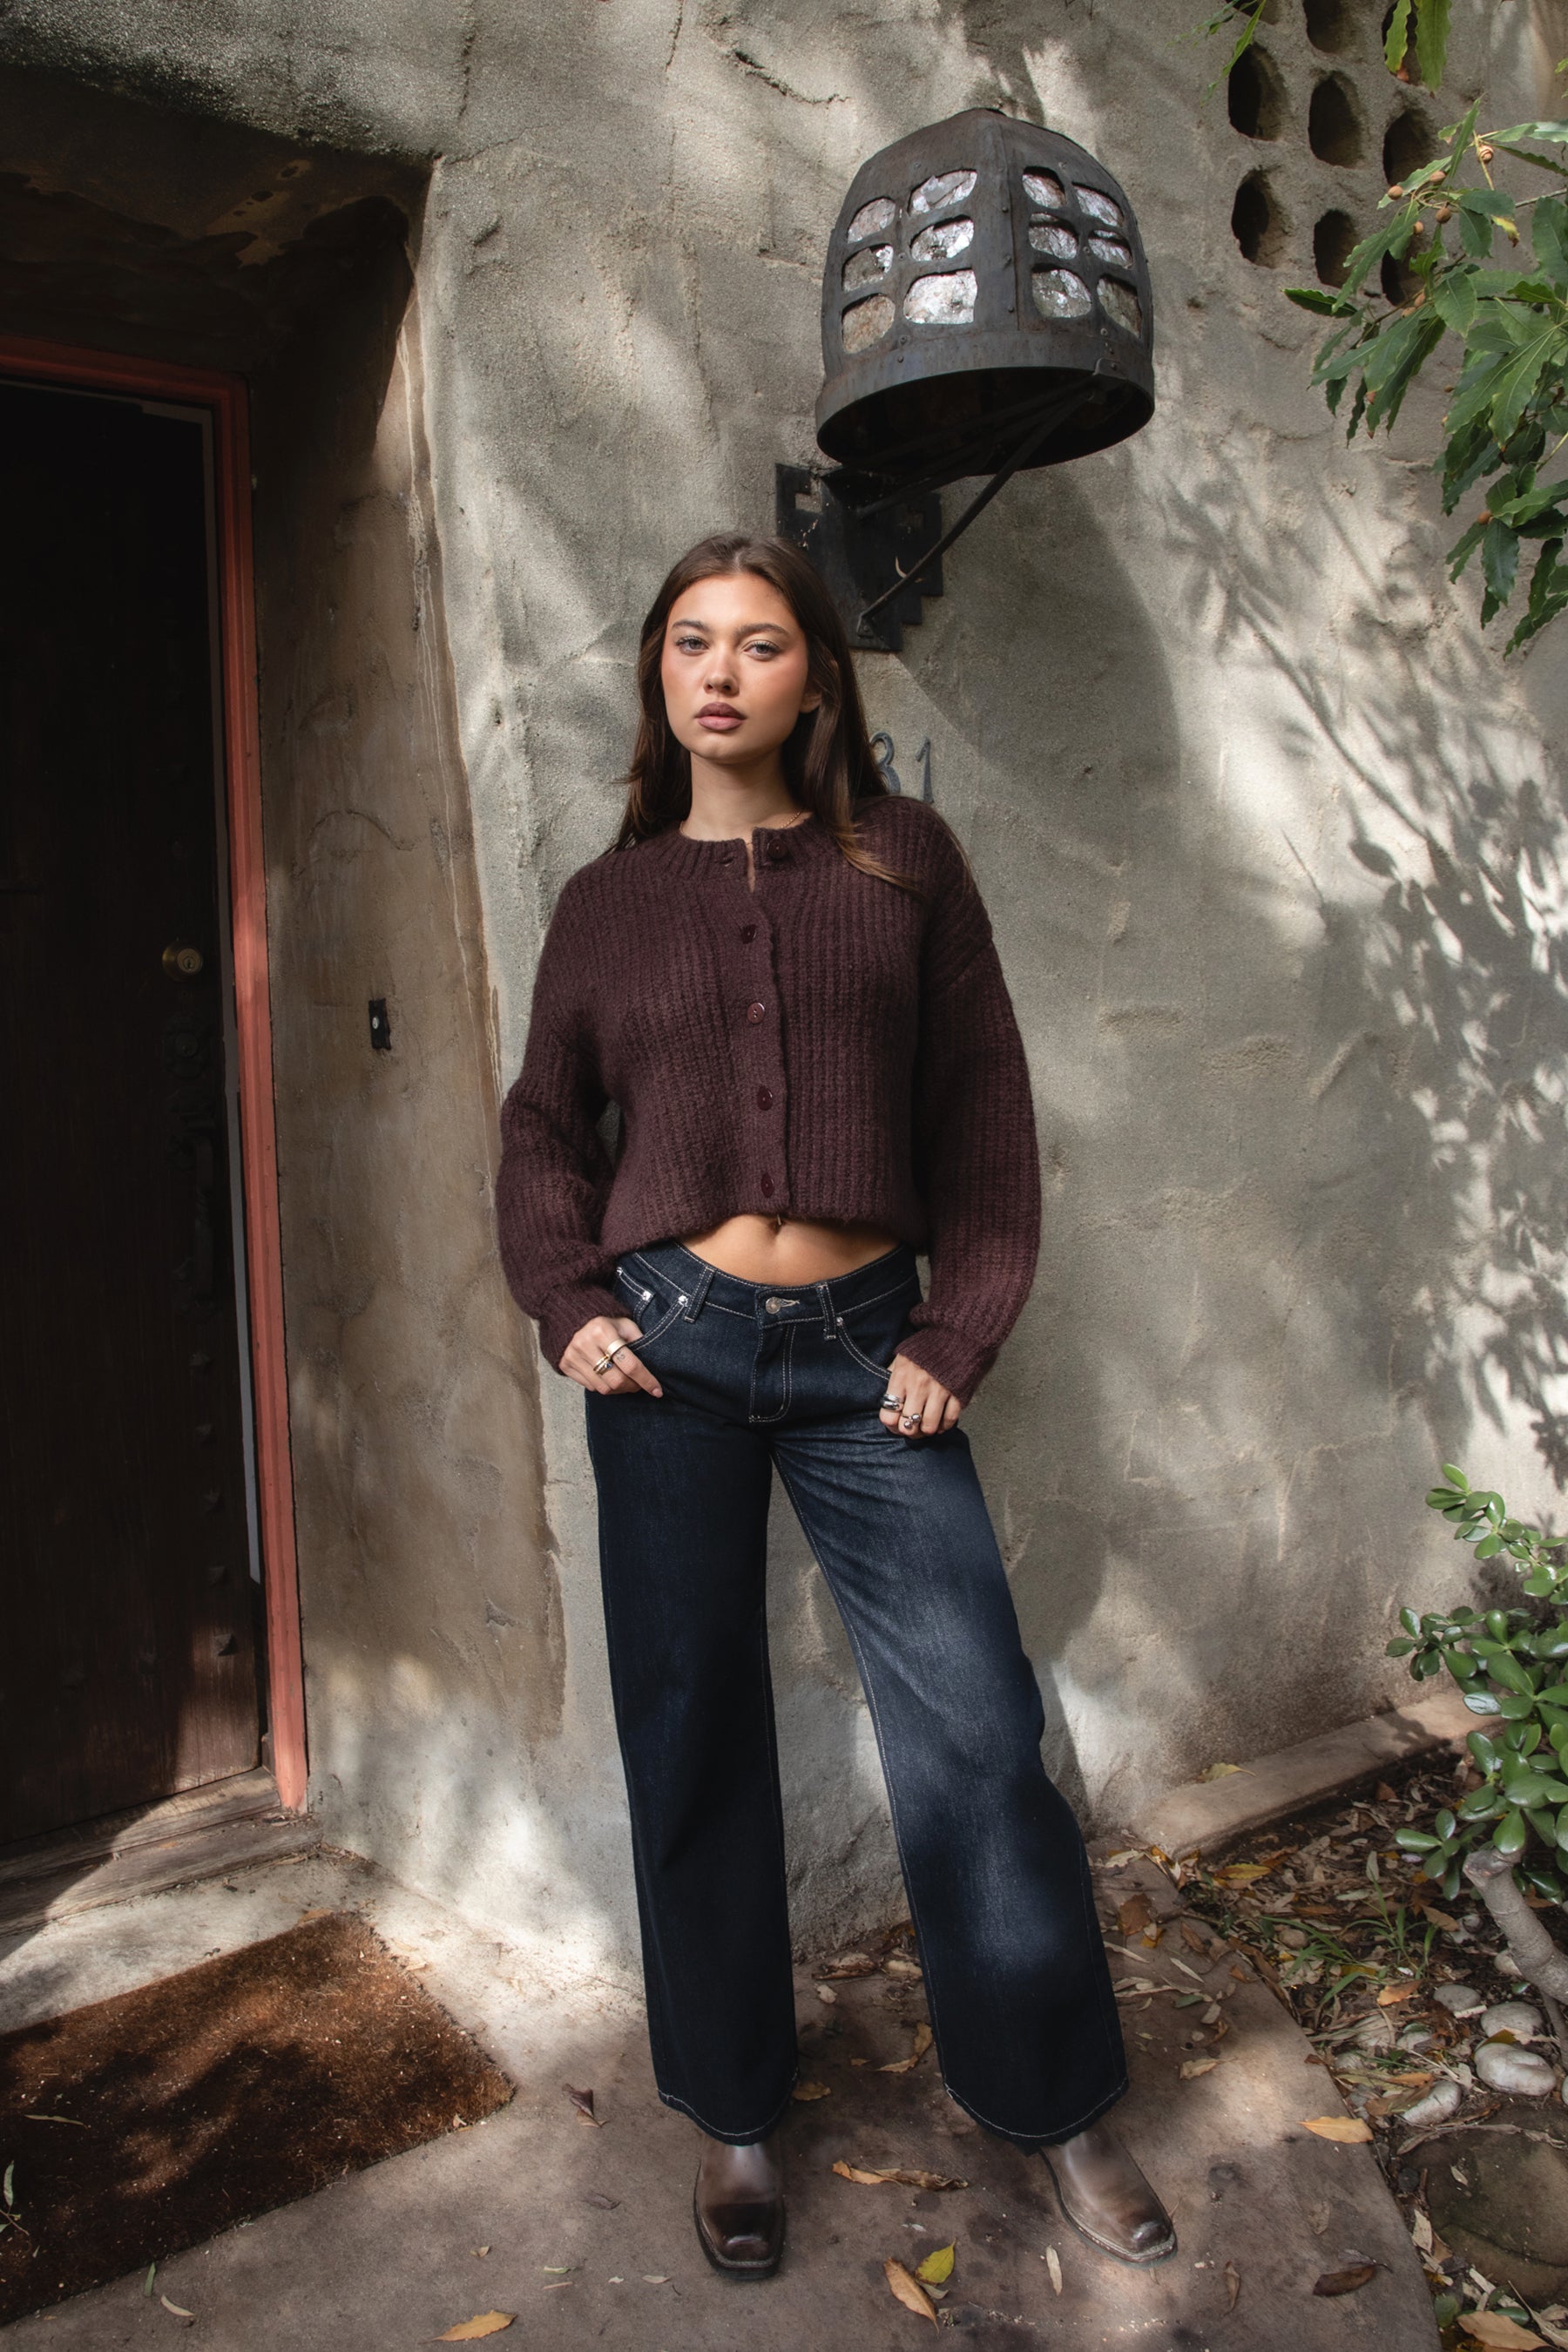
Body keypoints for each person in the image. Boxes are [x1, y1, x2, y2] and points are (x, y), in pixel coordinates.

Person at [495, 532, 1174, 2281]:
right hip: (668, 1351)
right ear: (661, 679)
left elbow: (987, 1119)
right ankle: (731, 2115)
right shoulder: (606, 902)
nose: (722, 671)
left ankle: (1055, 2101)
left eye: (763, 644)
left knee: (971, 1731)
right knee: (692, 1730)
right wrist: (568, 1298)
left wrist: (964, 1324)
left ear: (818, 679)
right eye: (692, 644)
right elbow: (541, 1133)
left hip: (875, 1352)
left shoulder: (905, 862)